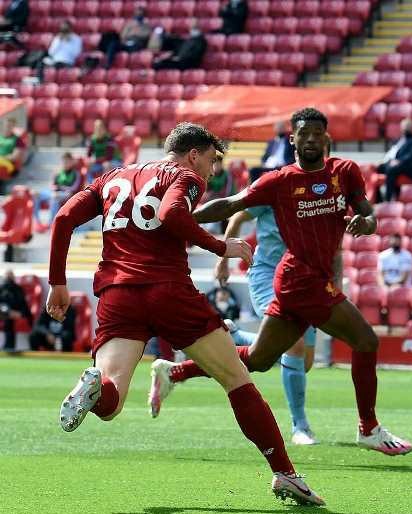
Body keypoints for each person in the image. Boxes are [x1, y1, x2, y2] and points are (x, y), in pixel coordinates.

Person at [46, 122, 323, 506]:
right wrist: (220, 246)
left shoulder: (114, 176)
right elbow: (172, 212)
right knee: (236, 378)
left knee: (110, 403)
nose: (211, 170)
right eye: (210, 160)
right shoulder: (185, 175)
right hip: (168, 290)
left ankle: (95, 387)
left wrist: (58, 282)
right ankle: (285, 474)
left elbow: (62, 218)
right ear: (193, 154)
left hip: (117, 293)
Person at [149, 108, 412, 456]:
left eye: (317, 133)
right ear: (292, 139)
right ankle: (368, 428)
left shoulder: (345, 172)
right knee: (365, 341)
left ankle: (176, 372)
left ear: (326, 138)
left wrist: (365, 223)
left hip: (305, 281)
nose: (310, 139)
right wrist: (176, 219)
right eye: (303, 134)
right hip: (299, 280)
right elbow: (231, 204)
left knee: (259, 359)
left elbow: (367, 212)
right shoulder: (279, 181)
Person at [151, 130, 335, 446]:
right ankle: (300, 427)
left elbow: (335, 247)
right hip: (269, 276)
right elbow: (235, 214)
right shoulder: (278, 186)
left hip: (309, 282)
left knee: (300, 361)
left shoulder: (327, 195)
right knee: (290, 348)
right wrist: (222, 252)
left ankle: (193, 362)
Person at [376, 118, 412, 202]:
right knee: (378, 168)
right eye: (404, 126)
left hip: (410, 168)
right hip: (395, 164)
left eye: (408, 127)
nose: (405, 129)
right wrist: (384, 161)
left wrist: (399, 161)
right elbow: (392, 152)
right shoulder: (399, 139)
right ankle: (378, 198)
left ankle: (388, 198)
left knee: (391, 170)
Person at [34, 152, 82, 229]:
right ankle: (37, 222)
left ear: (71, 162)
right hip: (54, 192)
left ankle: (51, 224)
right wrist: (54, 187)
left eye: (67, 162)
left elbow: (74, 188)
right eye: (64, 162)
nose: (65, 164)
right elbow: (51, 184)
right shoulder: (57, 172)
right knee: (35, 194)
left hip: (67, 193)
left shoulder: (76, 173)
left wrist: (61, 187)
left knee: (54, 198)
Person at [0, 270, 32, 352]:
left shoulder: (18, 289)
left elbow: (23, 304)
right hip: (3, 312)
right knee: (7, 317)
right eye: (7, 275)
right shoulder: (1, 288)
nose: (9, 278)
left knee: (10, 319)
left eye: (10, 276)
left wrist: (20, 313)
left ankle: (9, 346)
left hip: (16, 313)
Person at [86, 119, 122, 184]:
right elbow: (89, 154)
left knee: (106, 165)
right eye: (97, 128)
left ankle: (105, 185)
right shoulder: (92, 139)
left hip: (114, 161)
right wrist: (89, 161)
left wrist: (96, 160)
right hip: (99, 162)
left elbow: (109, 156)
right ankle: (90, 185)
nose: (99, 130)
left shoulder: (109, 139)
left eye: (100, 128)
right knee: (88, 164)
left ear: (104, 128)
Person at [0, 118, 26, 189]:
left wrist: (3, 157)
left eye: (10, 126)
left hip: (10, 165)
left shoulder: (18, 140)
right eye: (6, 126)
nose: (7, 128)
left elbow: (15, 157)